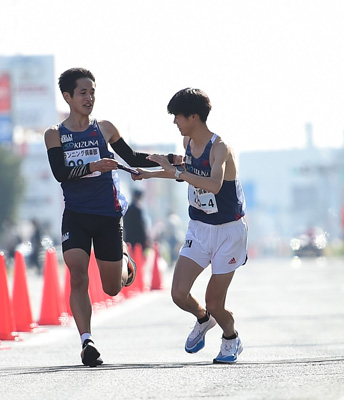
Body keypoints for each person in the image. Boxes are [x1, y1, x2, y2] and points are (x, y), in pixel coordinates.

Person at [44, 67, 157, 367]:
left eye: (92, 92)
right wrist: (94, 167)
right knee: (78, 275)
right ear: (67, 96)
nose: (89, 97)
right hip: (76, 216)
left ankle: (124, 259)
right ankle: (86, 342)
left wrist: (167, 161)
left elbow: (132, 158)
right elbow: (60, 173)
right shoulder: (54, 134)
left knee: (111, 288)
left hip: (108, 216)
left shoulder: (104, 128)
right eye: (83, 92)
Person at [133, 88, 248, 364]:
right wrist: (147, 174)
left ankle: (231, 339)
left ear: (193, 116)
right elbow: (182, 172)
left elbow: (213, 183)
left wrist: (177, 172)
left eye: (178, 117)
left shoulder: (220, 148)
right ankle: (202, 319)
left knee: (215, 302)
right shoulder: (188, 142)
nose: (175, 122)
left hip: (228, 232)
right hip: (199, 227)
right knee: (178, 293)